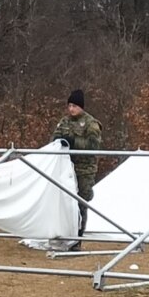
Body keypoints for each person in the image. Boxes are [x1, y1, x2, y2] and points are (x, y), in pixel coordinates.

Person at [51, 89, 102, 251]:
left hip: (84, 170)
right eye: (69, 106)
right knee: (64, 203)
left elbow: (93, 145)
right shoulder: (64, 122)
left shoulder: (91, 123)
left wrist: (73, 141)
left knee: (81, 203)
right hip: (66, 169)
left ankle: (77, 240)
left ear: (81, 106)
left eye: (74, 106)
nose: (71, 109)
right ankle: (63, 235)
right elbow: (54, 140)